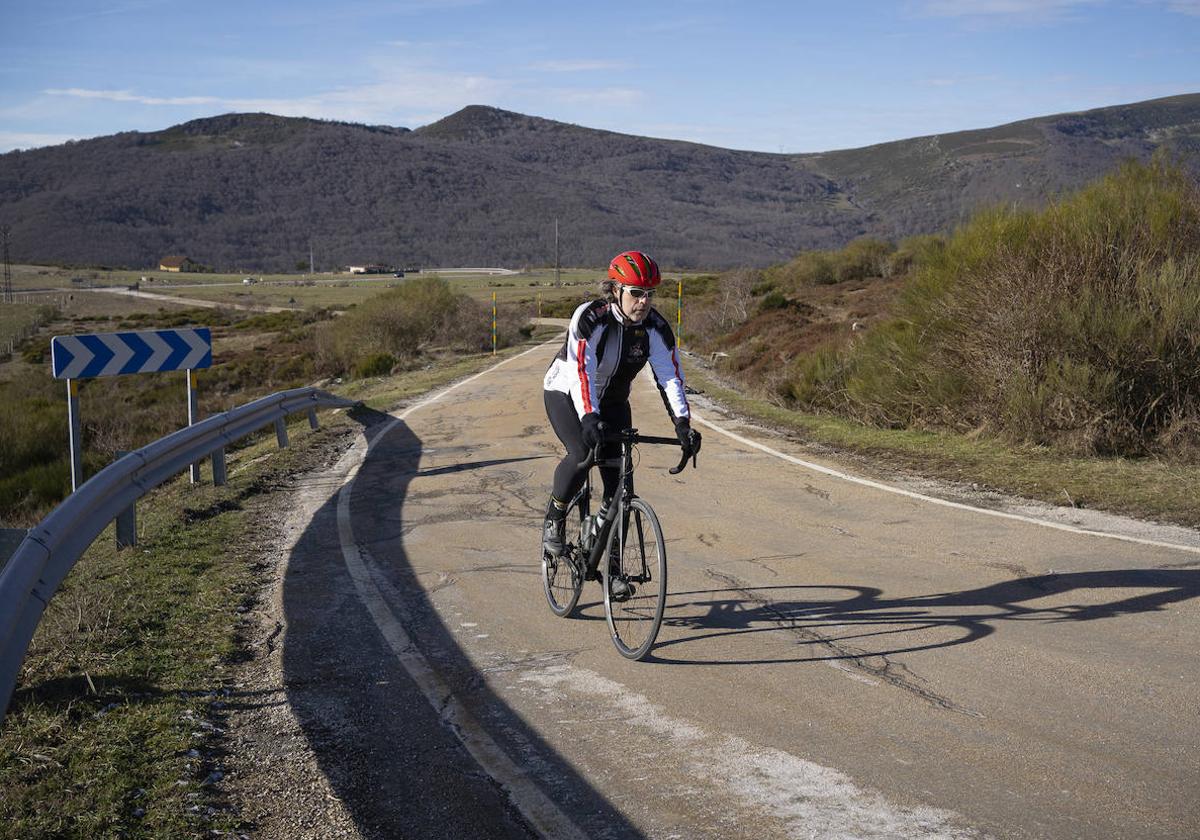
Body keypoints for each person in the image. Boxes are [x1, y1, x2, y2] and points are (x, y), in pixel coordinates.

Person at [541, 250, 701, 589]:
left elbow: (669, 377)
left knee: (620, 489)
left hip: (613, 400)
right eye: (636, 293)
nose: (643, 302)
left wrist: (683, 425)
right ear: (616, 290)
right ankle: (555, 518)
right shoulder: (590, 317)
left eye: (649, 294)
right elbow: (580, 372)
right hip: (567, 391)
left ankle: (613, 572)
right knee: (584, 454)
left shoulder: (655, 328)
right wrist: (589, 418)